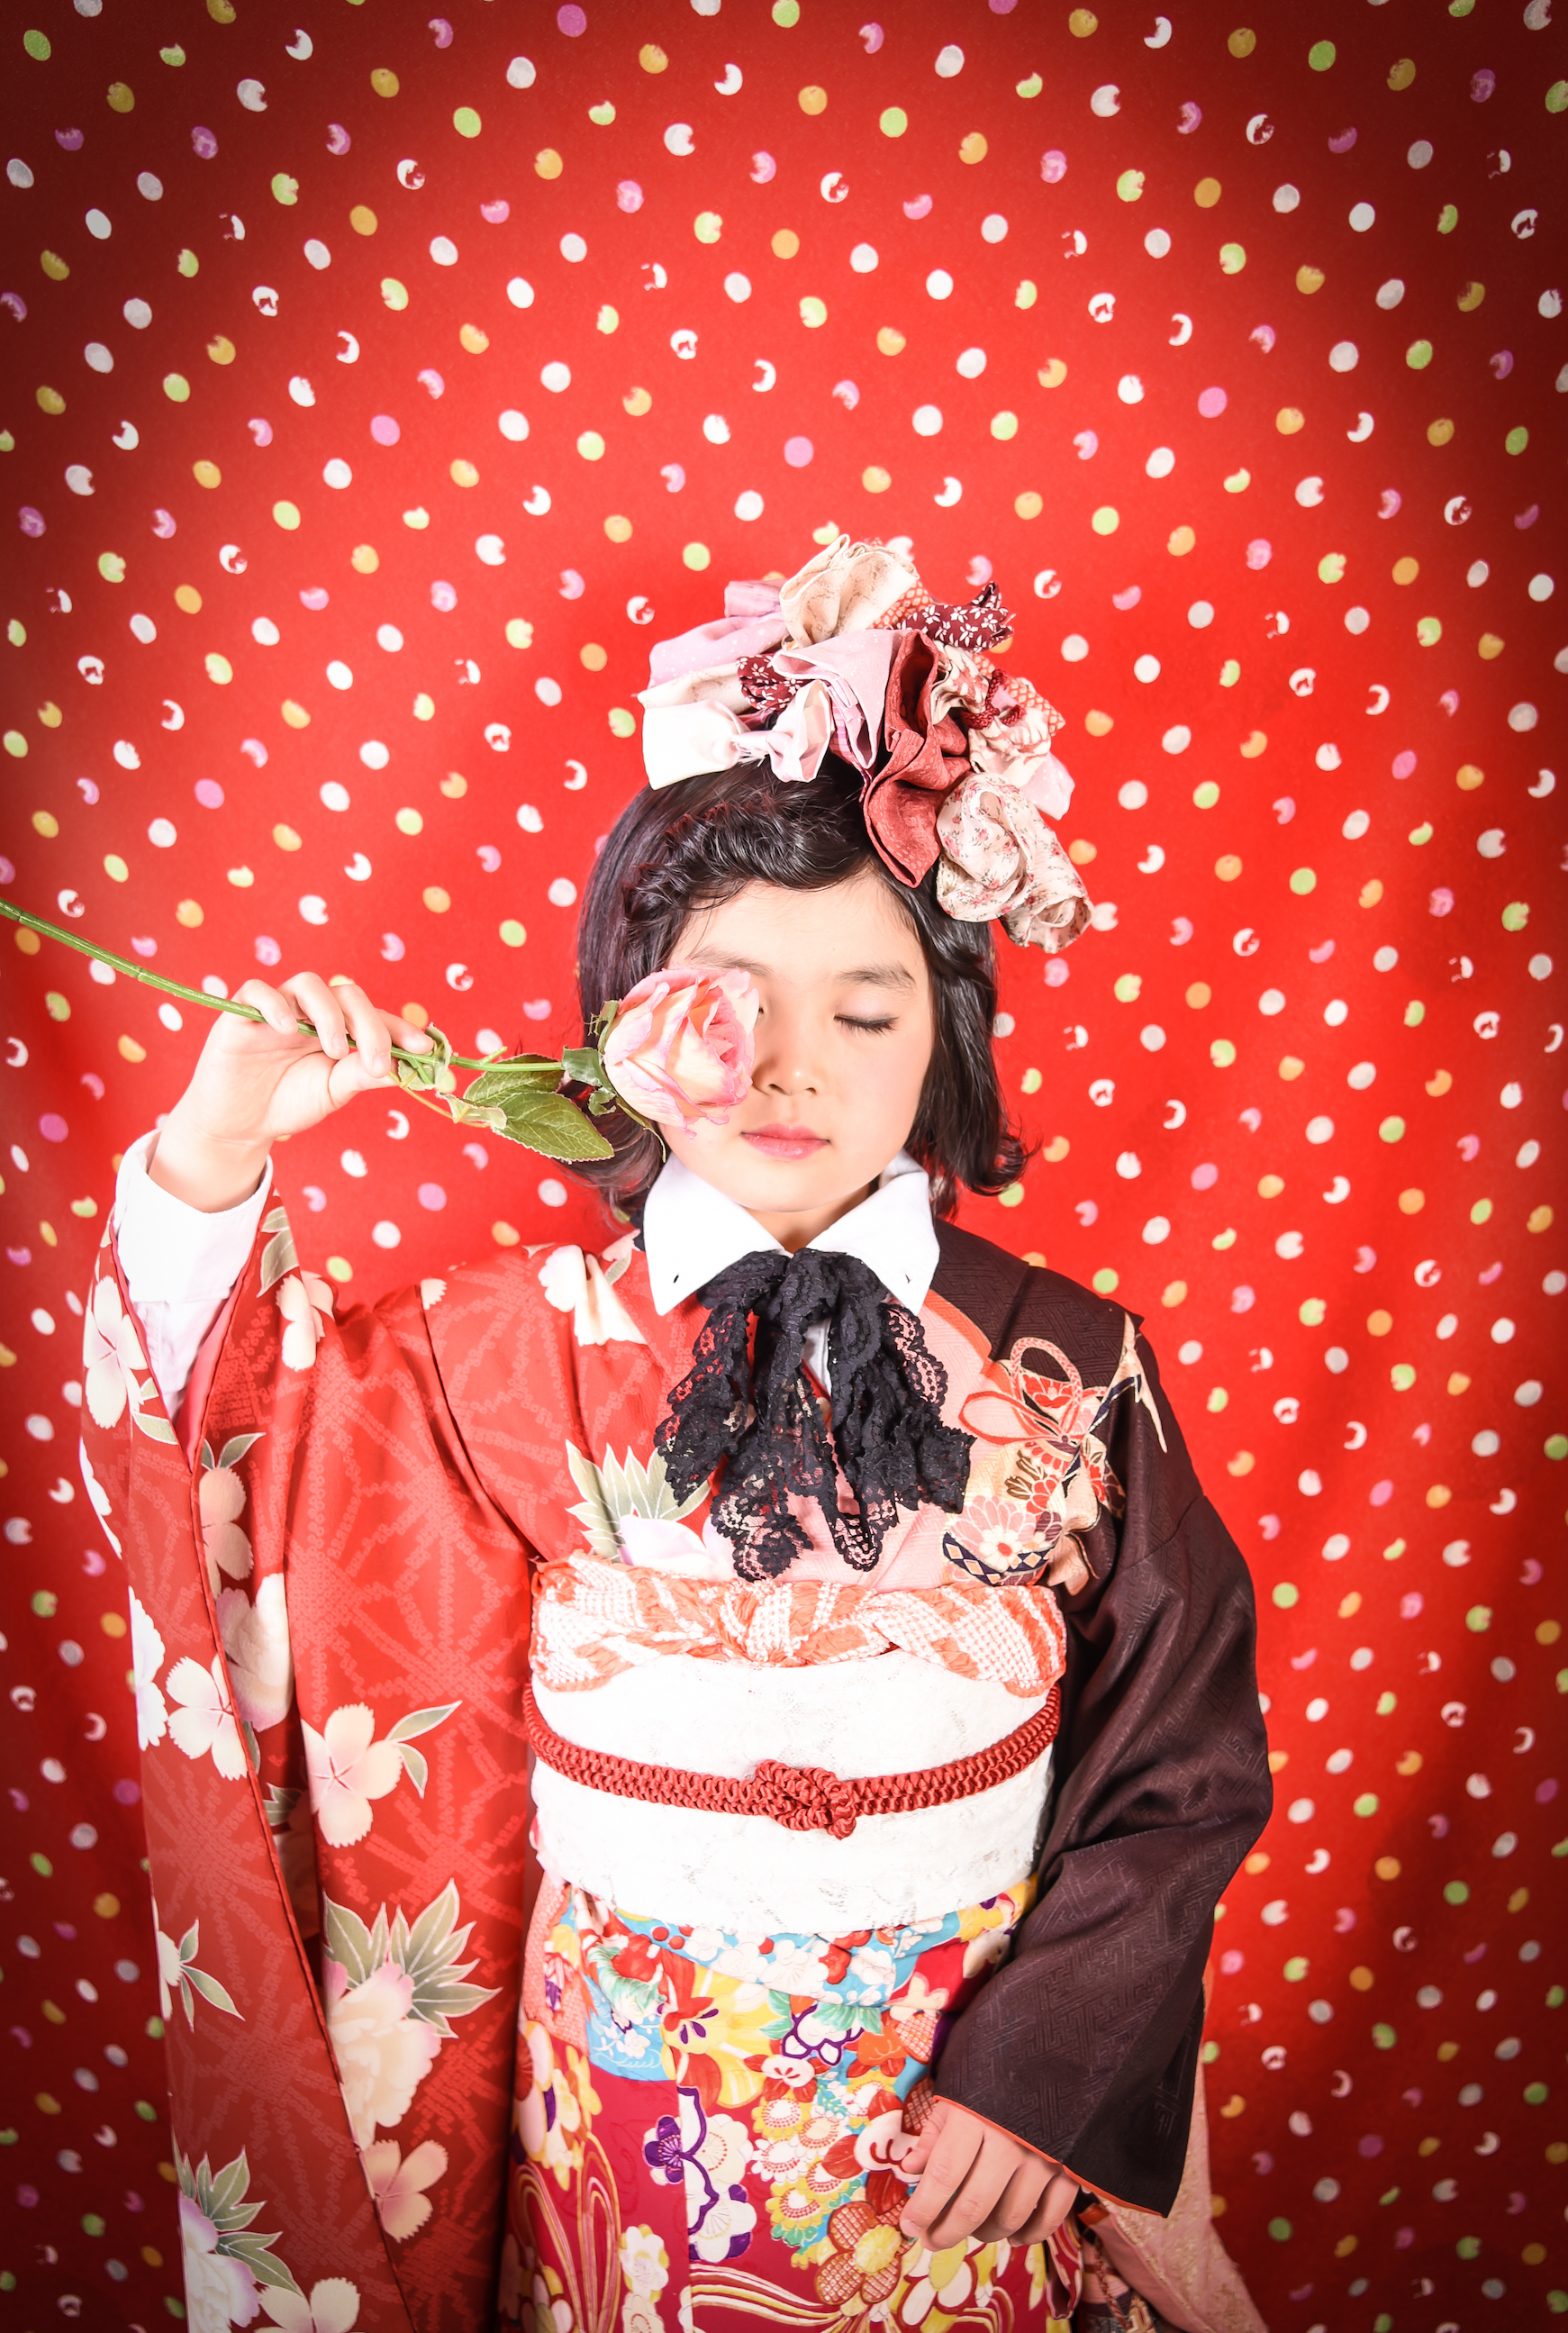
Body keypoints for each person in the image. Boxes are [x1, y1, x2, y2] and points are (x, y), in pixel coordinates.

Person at [86, 536, 1272, 2333]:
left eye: (865, 1007)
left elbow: (1177, 1751)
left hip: (971, 2116)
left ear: (943, 1039)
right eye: (729, 1000)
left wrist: (1056, 2057)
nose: (791, 1063)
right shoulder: (490, 1354)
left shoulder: (1069, 1359)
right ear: (624, 1031)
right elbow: (238, 1456)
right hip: (619, 2115)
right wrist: (218, 1147)